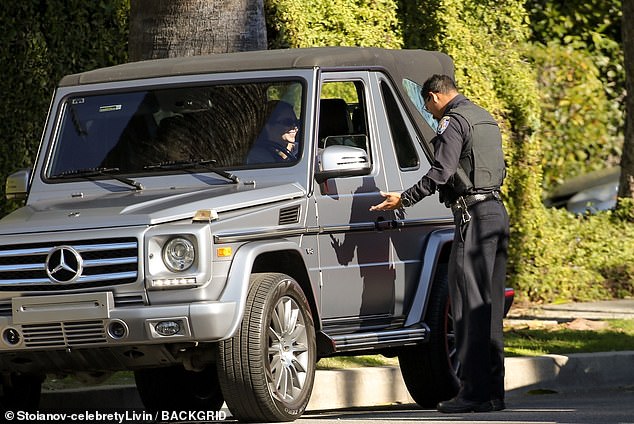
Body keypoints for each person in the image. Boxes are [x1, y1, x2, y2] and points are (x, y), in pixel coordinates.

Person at [369, 74, 510, 413]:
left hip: (473, 217)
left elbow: (441, 173)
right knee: (488, 309)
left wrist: (404, 199)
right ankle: (492, 393)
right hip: (496, 212)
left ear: (434, 97)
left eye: (429, 107)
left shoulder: (453, 121)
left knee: (467, 307)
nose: (431, 115)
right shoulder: (483, 116)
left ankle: (473, 394)